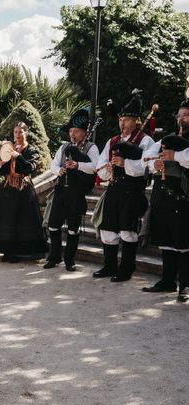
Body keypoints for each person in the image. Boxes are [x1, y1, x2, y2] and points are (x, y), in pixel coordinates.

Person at [93, 91, 154, 282]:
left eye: (127, 120)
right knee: (108, 230)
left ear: (136, 121)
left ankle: (126, 269)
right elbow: (99, 166)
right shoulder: (112, 141)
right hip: (113, 191)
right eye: (121, 120)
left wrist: (124, 164)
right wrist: (107, 168)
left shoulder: (145, 141)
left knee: (128, 231)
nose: (123, 124)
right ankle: (109, 266)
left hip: (132, 192)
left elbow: (146, 166)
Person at [141, 99, 189, 302]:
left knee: (183, 242)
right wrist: (156, 163)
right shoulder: (168, 138)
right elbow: (149, 155)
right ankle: (167, 280)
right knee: (166, 241)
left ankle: (185, 286)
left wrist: (175, 156)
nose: (181, 119)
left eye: (185, 115)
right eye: (179, 115)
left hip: (183, 198)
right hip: (162, 197)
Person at [0, 122, 48, 262]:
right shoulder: (10, 148)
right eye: (15, 132)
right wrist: (0, 164)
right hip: (9, 188)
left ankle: (21, 253)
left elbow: (29, 168)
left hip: (23, 189)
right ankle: (8, 252)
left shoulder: (31, 150)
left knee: (23, 220)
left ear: (26, 133)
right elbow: (3, 170)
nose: (17, 135)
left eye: (20, 132)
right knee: (8, 219)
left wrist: (18, 156)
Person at [44, 108, 99, 271]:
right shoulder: (64, 147)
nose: (72, 135)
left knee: (73, 229)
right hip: (61, 192)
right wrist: (58, 170)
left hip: (76, 193)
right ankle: (54, 257)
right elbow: (53, 164)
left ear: (84, 133)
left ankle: (69, 260)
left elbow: (95, 167)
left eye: (76, 131)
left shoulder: (91, 148)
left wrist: (78, 165)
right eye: (71, 131)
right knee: (53, 225)